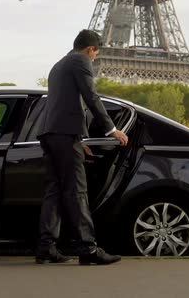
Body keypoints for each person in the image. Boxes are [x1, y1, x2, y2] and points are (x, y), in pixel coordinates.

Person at [35, 29, 129, 265]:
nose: (95, 59)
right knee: (77, 192)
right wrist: (111, 130)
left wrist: (80, 139)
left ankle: (46, 247)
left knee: (54, 192)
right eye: (96, 54)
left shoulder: (59, 64)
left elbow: (66, 103)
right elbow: (91, 97)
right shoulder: (81, 61)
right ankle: (87, 249)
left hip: (51, 133)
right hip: (65, 135)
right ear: (90, 50)